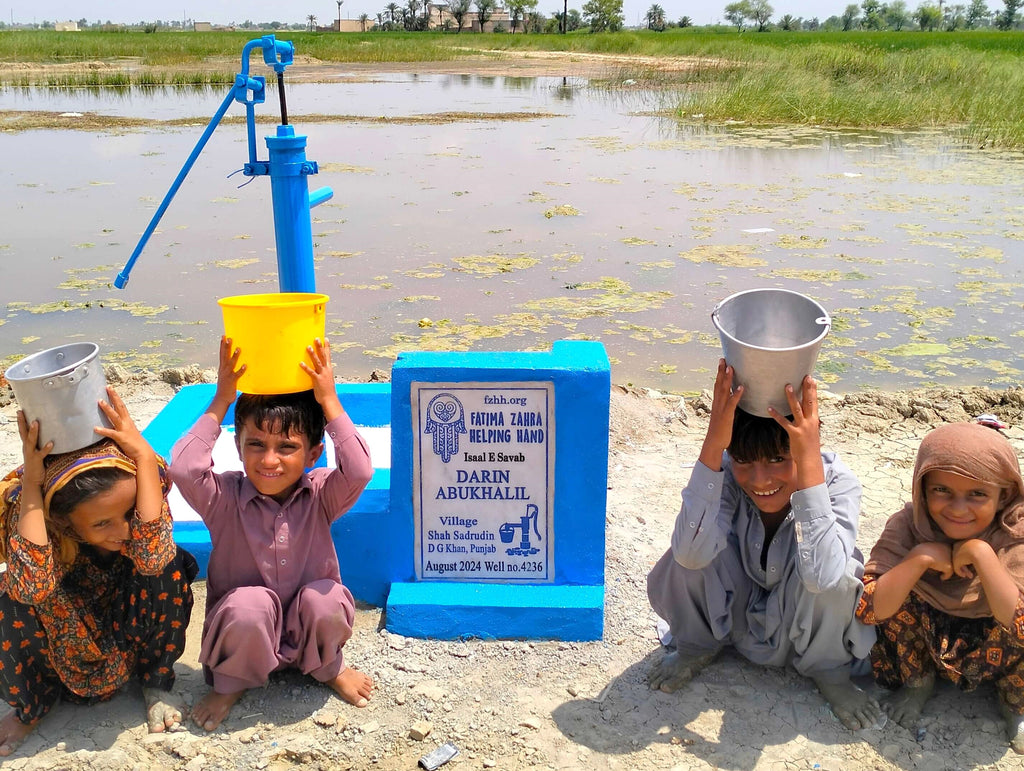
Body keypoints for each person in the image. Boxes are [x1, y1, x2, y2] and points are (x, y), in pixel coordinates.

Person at [647, 359, 881, 730]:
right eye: (744, 460)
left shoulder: (837, 482)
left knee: (839, 570)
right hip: (735, 615)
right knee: (688, 547)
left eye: (777, 458)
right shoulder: (723, 474)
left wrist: (807, 467)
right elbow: (690, 554)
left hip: (801, 620)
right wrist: (714, 443)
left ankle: (828, 671)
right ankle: (698, 645)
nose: (760, 479)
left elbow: (823, 579)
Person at [169, 336, 375, 732]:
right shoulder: (223, 499)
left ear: (312, 454)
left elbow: (361, 470)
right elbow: (183, 468)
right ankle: (232, 685)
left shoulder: (321, 494)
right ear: (238, 445)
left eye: (287, 447)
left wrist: (329, 400)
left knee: (326, 599)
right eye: (256, 445)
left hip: (307, 631)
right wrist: (221, 400)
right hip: (243, 634)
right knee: (250, 604)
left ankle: (327, 668)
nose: (269, 460)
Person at [0, 387, 198, 756]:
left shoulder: (142, 500)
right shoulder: (37, 515)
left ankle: (155, 682)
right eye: (102, 523)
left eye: (129, 513)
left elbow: (153, 557)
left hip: (127, 632)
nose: (123, 531)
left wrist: (139, 451)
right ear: (67, 524)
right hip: (65, 639)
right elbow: (30, 588)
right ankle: (31, 708)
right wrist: (31, 483)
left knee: (169, 563)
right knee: (11, 594)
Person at [855, 421, 1024, 754]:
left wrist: (981, 554)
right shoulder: (908, 525)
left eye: (977, 494)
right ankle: (918, 683)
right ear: (922, 488)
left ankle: (1014, 703)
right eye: (942, 490)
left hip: (996, 648)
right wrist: (919, 558)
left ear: (1003, 494)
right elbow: (869, 609)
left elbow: (1017, 621)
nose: (958, 509)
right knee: (897, 588)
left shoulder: (1013, 531)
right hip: (926, 642)